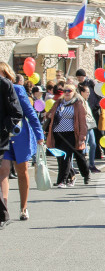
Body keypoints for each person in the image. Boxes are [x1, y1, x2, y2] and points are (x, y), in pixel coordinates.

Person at [0, 62, 41, 222]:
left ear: (7, 74)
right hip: (3, 136)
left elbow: (29, 113)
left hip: (19, 135)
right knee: (3, 170)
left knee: (22, 171)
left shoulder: (17, 89)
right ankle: (4, 208)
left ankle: (23, 207)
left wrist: (39, 135)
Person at [44, 84, 91, 187]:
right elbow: (49, 113)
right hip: (57, 134)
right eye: (64, 90)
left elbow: (82, 122)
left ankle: (65, 180)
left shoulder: (78, 104)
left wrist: (82, 137)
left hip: (72, 134)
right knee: (60, 157)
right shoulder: (59, 102)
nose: (66, 93)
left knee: (72, 157)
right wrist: (49, 115)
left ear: (74, 92)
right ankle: (68, 177)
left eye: (69, 91)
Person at [0, 70, 23, 229]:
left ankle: (2, 215)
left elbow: (17, 112)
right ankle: (3, 214)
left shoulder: (4, 84)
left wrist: (3, 129)